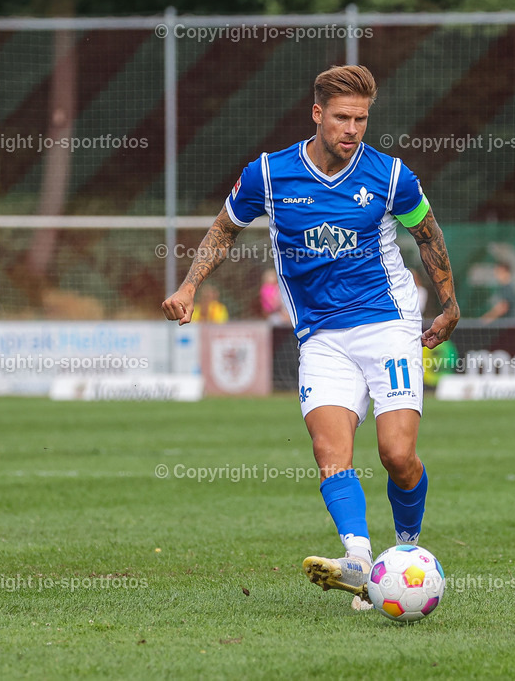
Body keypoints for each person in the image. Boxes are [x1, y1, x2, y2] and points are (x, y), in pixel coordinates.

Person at [161, 65, 459, 611]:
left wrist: (449, 303)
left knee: (398, 455)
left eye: (362, 119)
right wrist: (188, 286)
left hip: (388, 324)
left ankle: (405, 554)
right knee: (329, 451)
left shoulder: (391, 176)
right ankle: (359, 560)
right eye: (342, 118)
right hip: (321, 336)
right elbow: (225, 227)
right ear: (317, 114)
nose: (353, 129)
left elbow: (428, 233)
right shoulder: (269, 176)